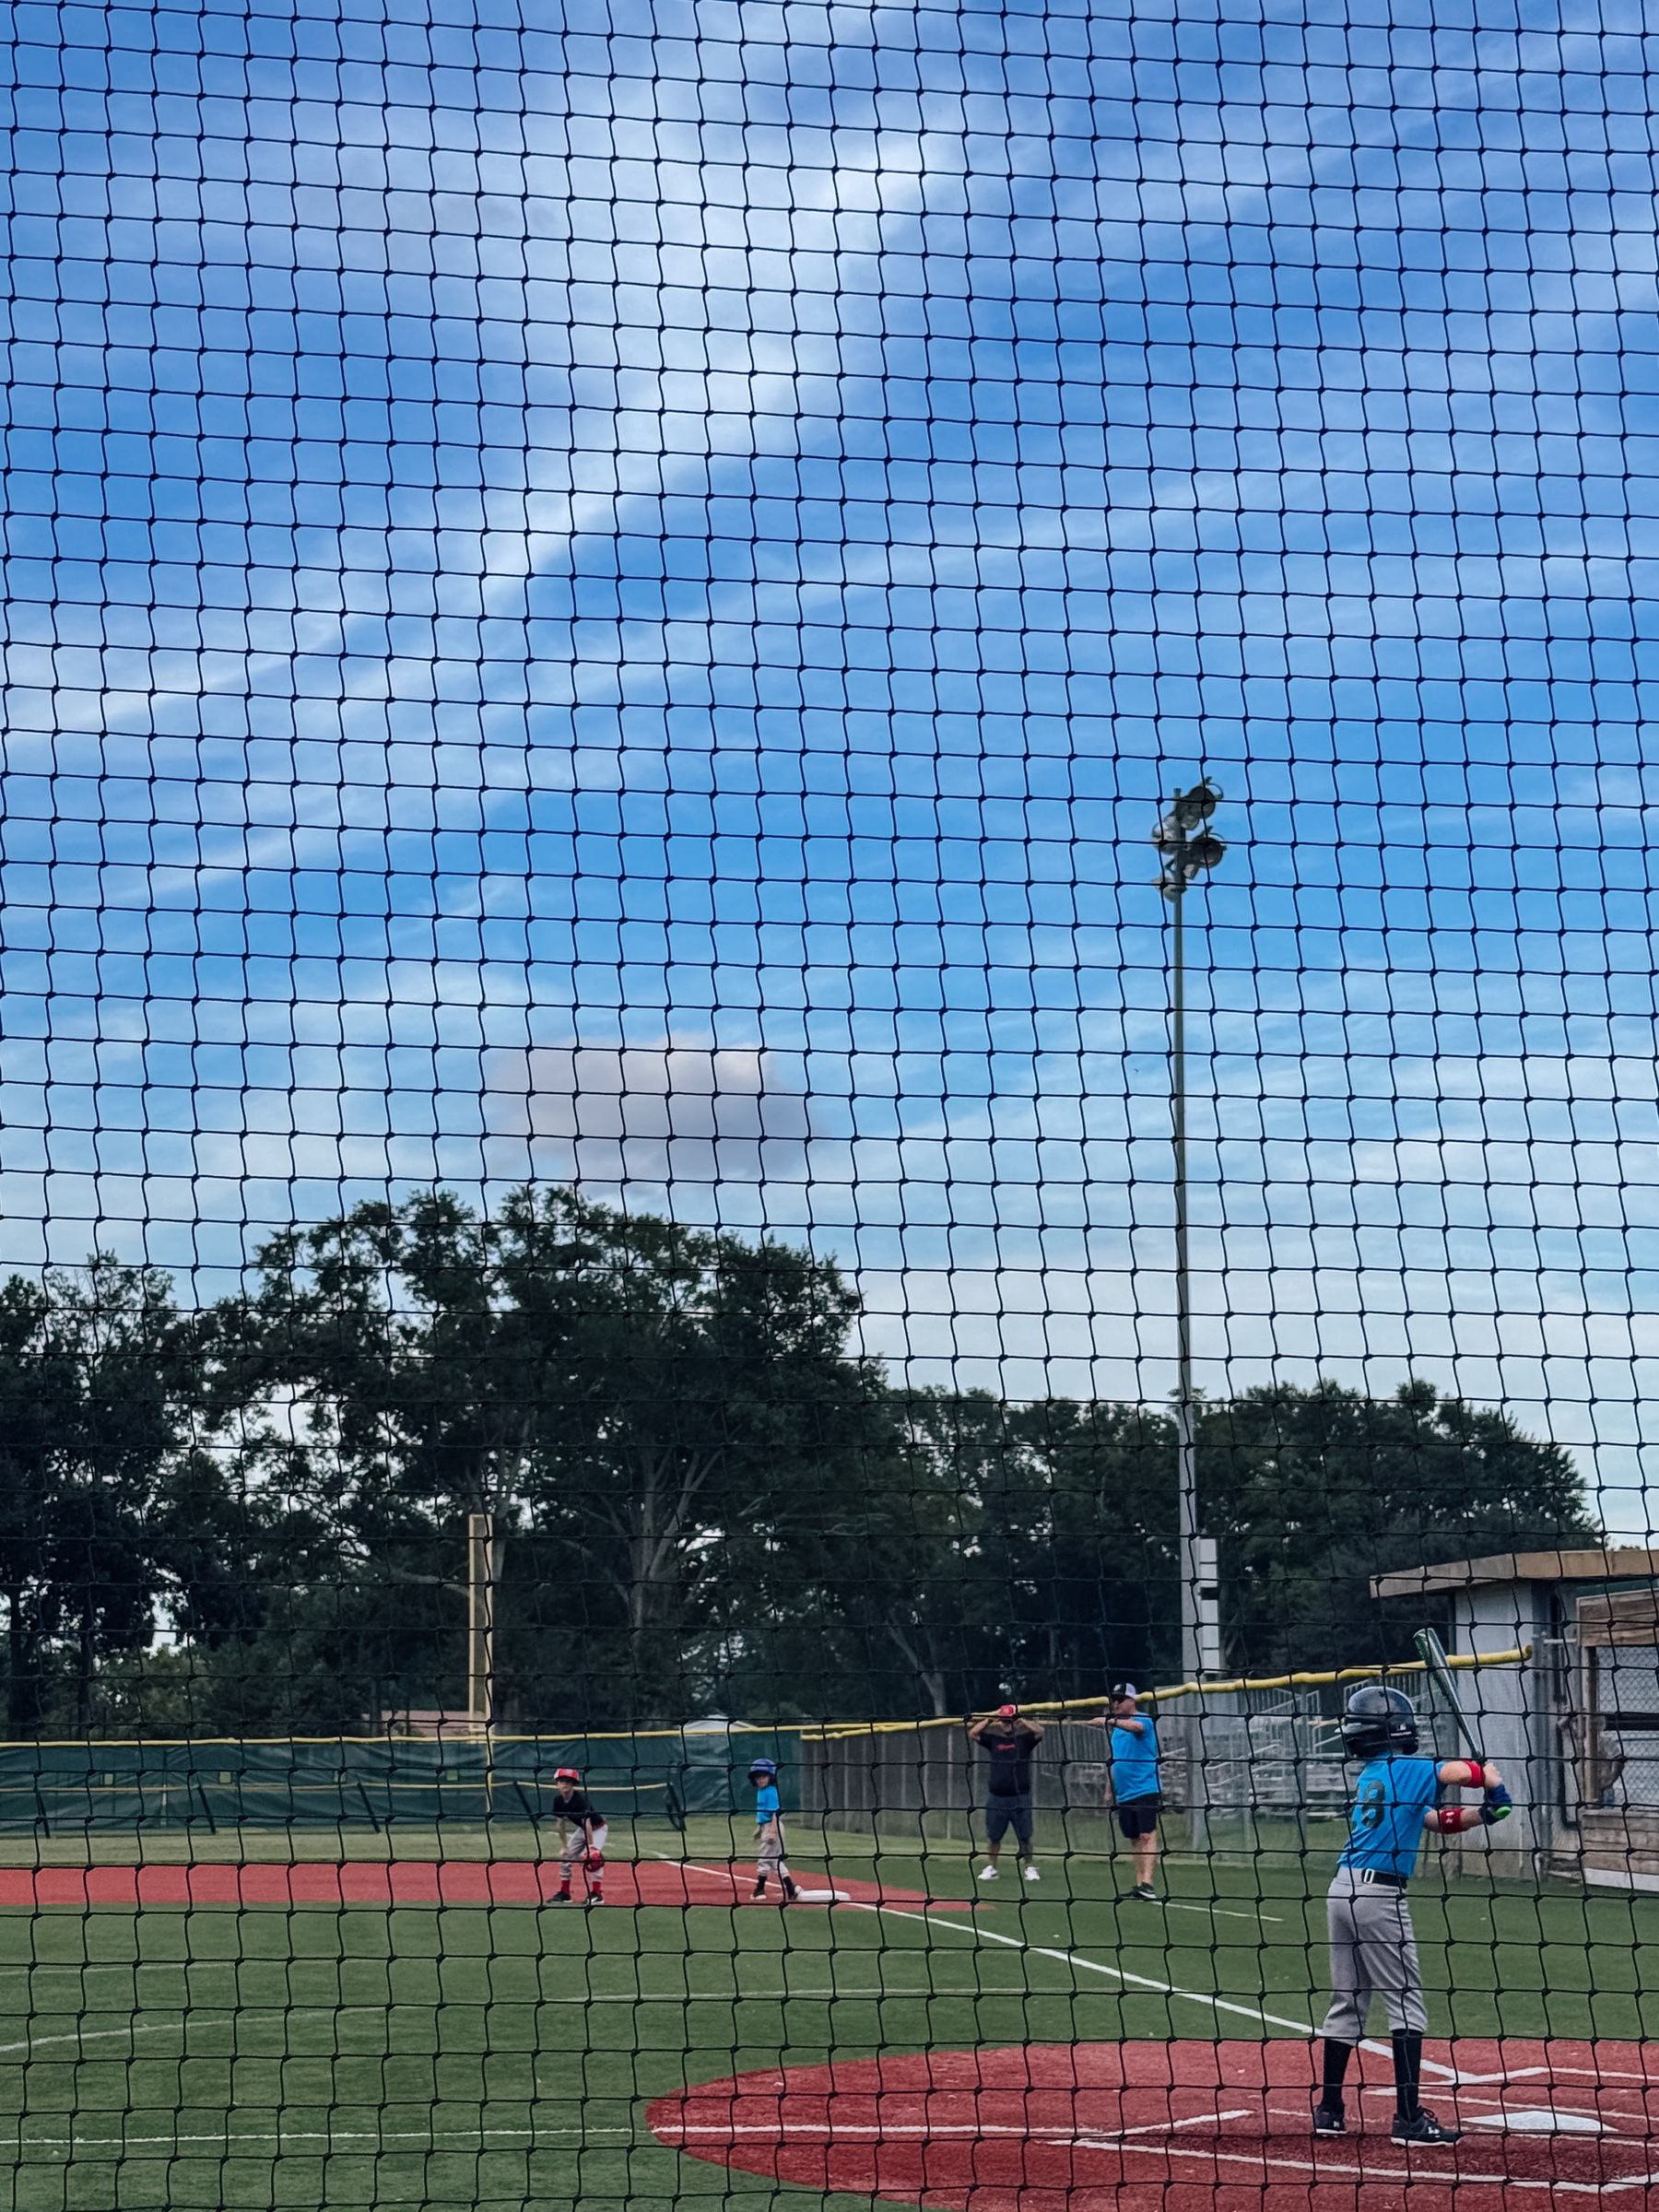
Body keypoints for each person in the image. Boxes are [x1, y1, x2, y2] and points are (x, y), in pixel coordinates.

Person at [1314, 1683, 1512, 2146]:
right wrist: (1490, 1775)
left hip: (1342, 1889)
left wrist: (1485, 1814)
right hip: (1379, 1897)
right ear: (1398, 1728)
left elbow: (1434, 1821)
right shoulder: (1411, 1765)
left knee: (1347, 2002)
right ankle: (1408, 2119)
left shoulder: (1376, 1772)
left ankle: (1330, 2110)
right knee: (1406, 2003)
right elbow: (1462, 1771)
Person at [1093, 1683, 1161, 1901]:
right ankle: (1140, 1883)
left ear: (1131, 1700)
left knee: (1146, 1834)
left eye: (1120, 1699)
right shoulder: (1116, 1732)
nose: (1116, 1703)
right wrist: (1108, 1788)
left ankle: (1148, 1883)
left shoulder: (1143, 1720)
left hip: (1145, 1788)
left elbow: (1137, 1728)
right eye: (1114, 1699)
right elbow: (1116, 1761)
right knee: (1133, 1838)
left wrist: (1109, 1721)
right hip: (1125, 1792)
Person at [967, 1703, 1045, 1882]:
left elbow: (1040, 1732)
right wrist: (991, 1717)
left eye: (1010, 1720)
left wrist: (1021, 1718)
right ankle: (991, 1867)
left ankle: (1030, 1867)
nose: (1007, 1723)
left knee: (1025, 1836)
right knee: (994, 1836)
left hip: (1020, 1796)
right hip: (997, 1797)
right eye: (1004, 1720)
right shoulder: (994, 1739)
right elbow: (973, 1733)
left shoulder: (1025, 1739)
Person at [549, 1767, 607, 1905]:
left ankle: (596, 1894)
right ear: (557, 1783)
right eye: (562, 1781)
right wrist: (564, 1847)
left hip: (597, 1829)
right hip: (583, 1829)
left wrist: (591, 1846)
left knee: (593, 1858)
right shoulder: (558, 1801)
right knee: (565, 1856)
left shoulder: (580, 1800)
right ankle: (565, 1893)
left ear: (574, 1784)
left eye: (569, 1781)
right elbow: (560, 1825)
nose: (565, 1784)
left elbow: (587, 1823)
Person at [748, 1757, 799, 1904]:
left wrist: (771, 1831)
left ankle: (759, 1890)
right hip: (767, 1827)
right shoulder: (761, 1791)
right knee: (774, 1861)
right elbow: (763, 1814)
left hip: (773, 1827)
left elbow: (775, 1814)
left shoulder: (771, 1792)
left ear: (771, 1777)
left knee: (764, 1860)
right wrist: (760, 1830)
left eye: (764, 1776)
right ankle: (791, 1888)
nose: (761, 1779)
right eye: (758, 1776)